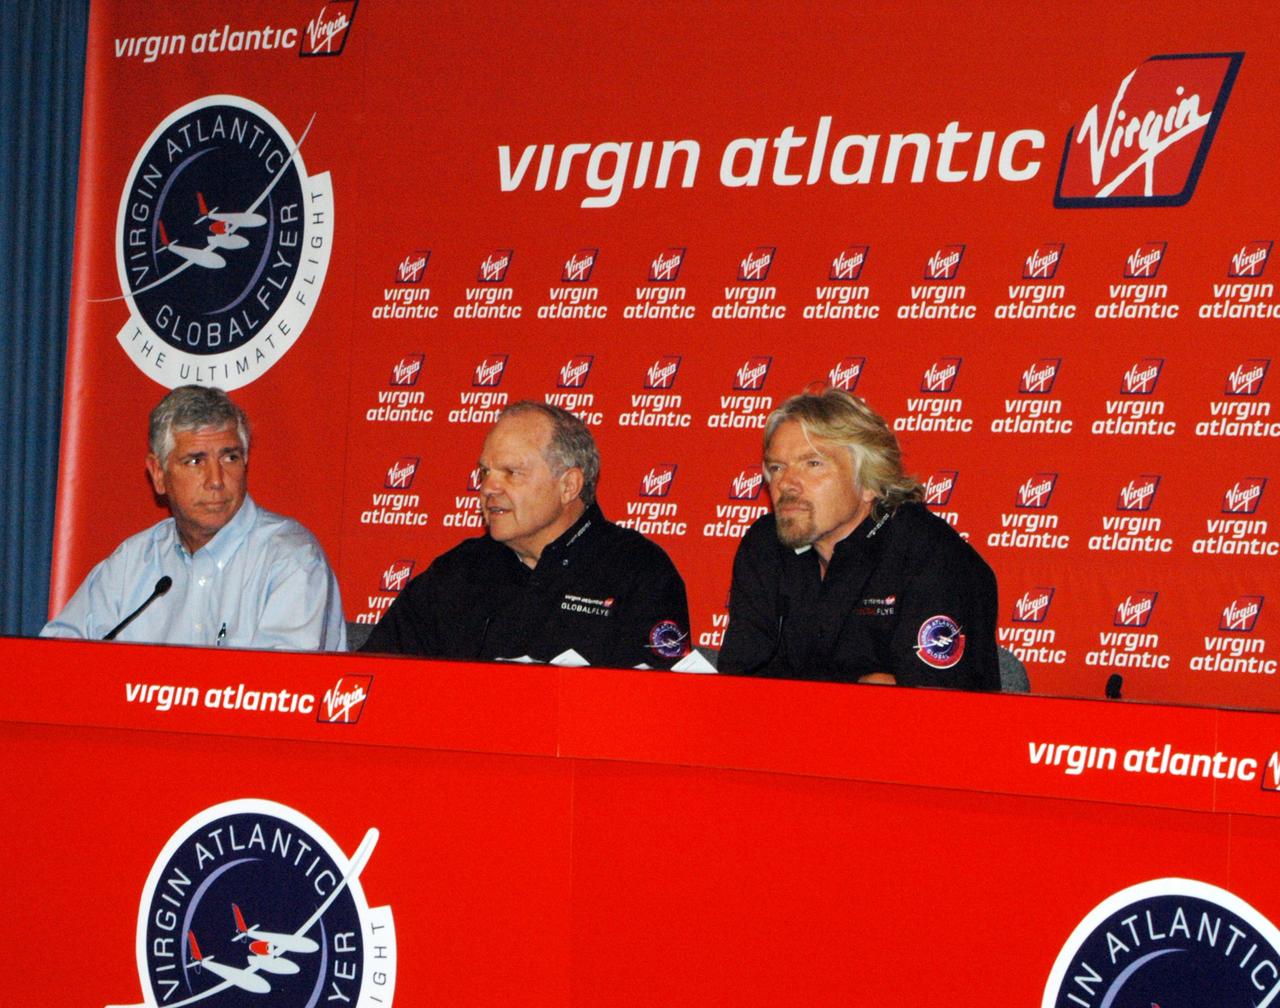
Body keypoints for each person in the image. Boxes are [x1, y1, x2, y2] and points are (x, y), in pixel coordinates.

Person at [362, 401, 691, 667]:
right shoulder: (458, 570)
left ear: (568, 486)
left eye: (511, 473)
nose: (489, 487)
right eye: (486, 472)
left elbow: (660, 704)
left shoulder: (638, 572)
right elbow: (377, 671)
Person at [718, 387, 999, 689]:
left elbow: (929, 707)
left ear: (869, 483)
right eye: (776, 467)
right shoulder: (765, 545)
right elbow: (739, 684)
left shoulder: (932, 557)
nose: (787, 483)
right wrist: (857, 685)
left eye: (813, 464)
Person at [42, 386, 346, 650]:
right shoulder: (131, 565)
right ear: (159, 474)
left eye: (230, 457)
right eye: (195, 461)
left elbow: (278, 694)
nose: (216, 479)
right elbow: (54, 659)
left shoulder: (291, 561)